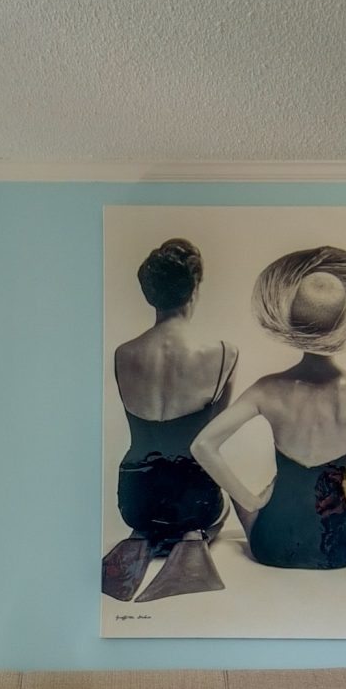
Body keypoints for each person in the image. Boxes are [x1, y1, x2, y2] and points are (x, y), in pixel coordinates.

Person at [191, 246, 346, 570]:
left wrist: (250, 500)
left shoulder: (267, 388)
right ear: (344, 325)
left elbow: (202, 444)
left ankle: (266, 502)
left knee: (257, 492)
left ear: (292, 324)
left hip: (270, 544)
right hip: (339, 550)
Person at [103, 239, 237, 601]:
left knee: (149, 515)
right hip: (196, 499)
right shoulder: (224, 352)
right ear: (194, 288)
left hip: (135, 499)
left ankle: (143, 536)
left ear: (150, 293)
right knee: (209, 510)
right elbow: (211, 443)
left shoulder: (122, 354)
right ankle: (192, 537)